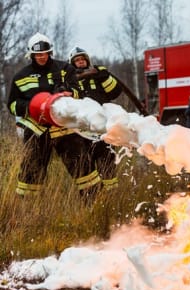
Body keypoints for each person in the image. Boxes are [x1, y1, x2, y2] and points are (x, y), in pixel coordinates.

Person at [6, 33, 101, 200]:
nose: (42, 57)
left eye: (44, 53)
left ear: (50, 52)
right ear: (31, 55)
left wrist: (66, 93)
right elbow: (12, 105)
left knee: (82, 168)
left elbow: (79, 94)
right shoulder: (21, 76)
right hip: (36, 131)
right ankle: (26, 209)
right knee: (31, 171)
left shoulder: (65, 69)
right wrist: (30, 107)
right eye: (37, 55)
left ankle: (94, 204)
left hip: (65, 129)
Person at [68, 46, 123, 190]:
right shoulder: (70, 80)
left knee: (107, 162)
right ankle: (93, 195)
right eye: (77, 60)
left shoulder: (98, 76)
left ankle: (111, 193)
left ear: (87, 61)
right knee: (85, 163)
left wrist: (104, 76)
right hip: (81, 132)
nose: (80, 62)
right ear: (72, 63)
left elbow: (115, 92)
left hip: (103, 129)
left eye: (82, 59)